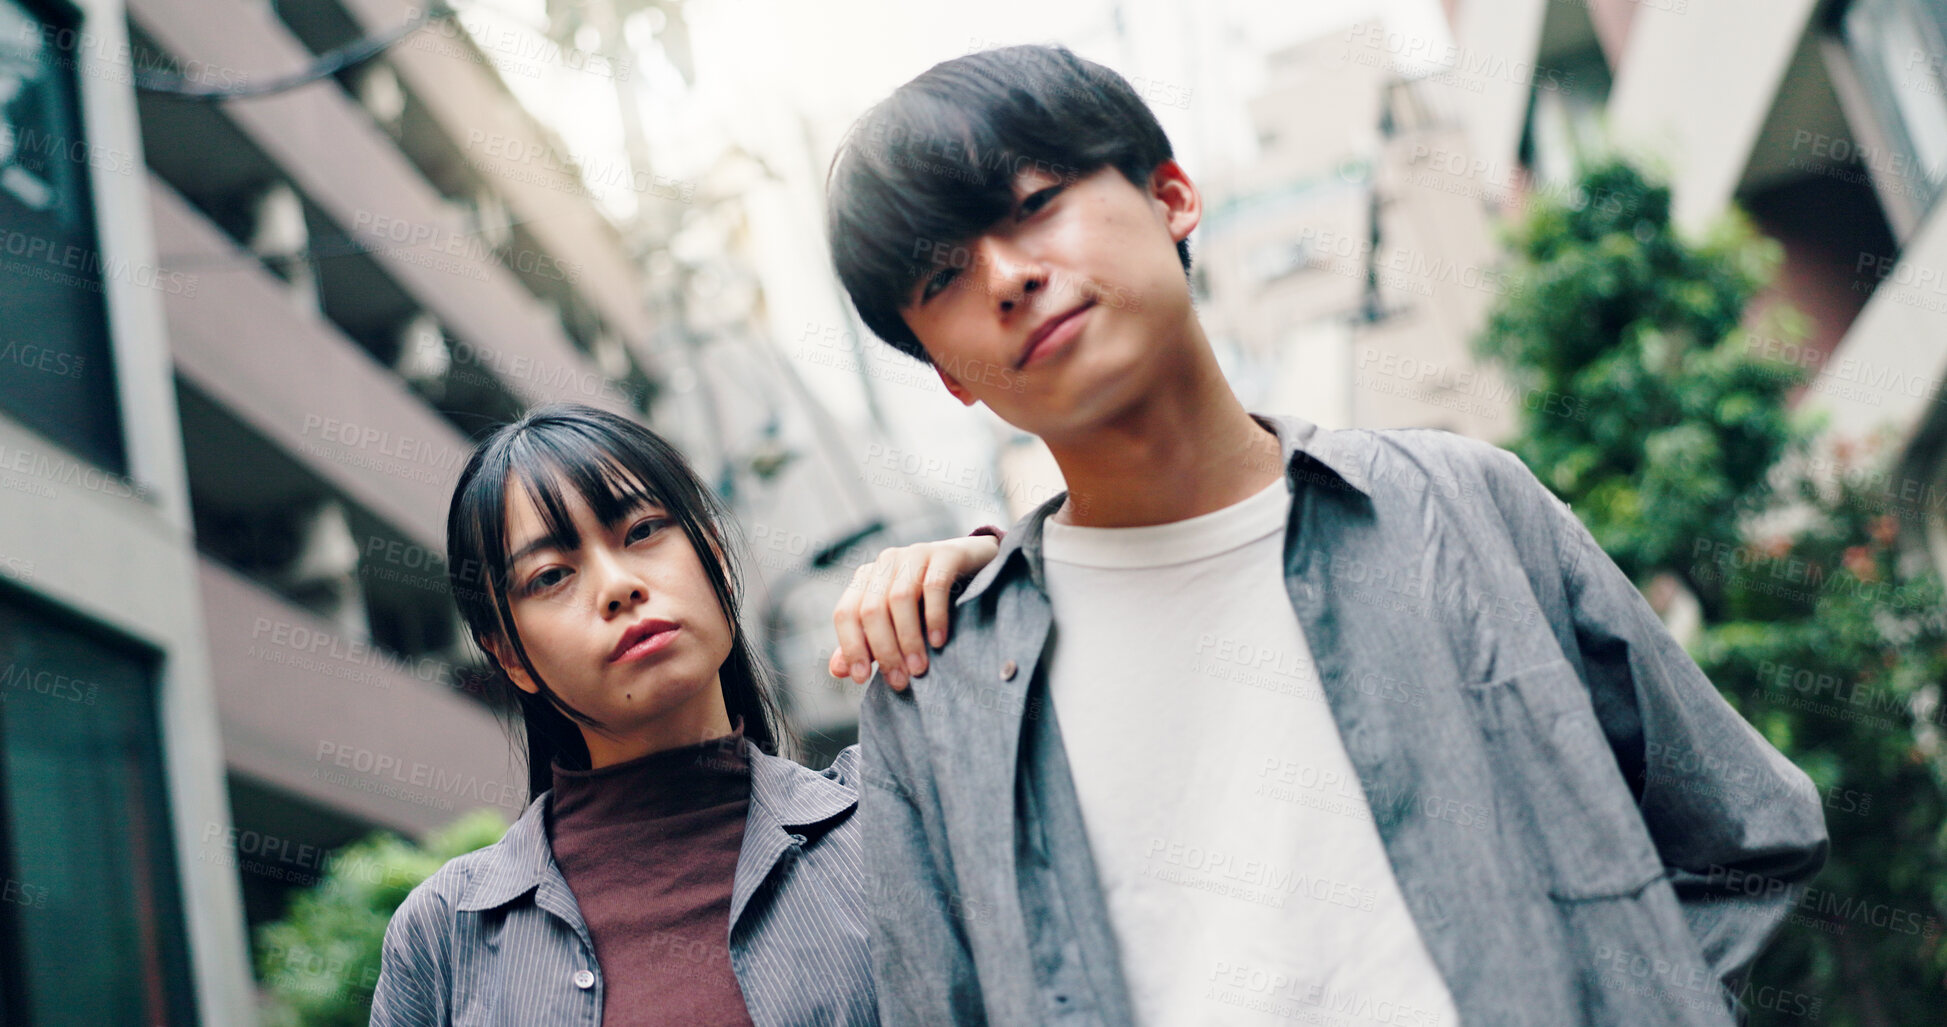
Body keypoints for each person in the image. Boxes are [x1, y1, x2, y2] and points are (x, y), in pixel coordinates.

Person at [823, 44, 1829, 1026]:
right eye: (941, 279)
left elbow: (1745, 835)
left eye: (1036, 202)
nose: (1005, 275)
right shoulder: (937, 692)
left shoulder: (1460, 508)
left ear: (1171, 196)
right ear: (948, 373)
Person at [368, 403, 998, 1026]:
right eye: (552, 575)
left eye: (642, 532)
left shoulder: (896, 811)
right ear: (510, 657)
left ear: (715, 555)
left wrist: (995, 573)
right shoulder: (444, 938)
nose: (618, 585)